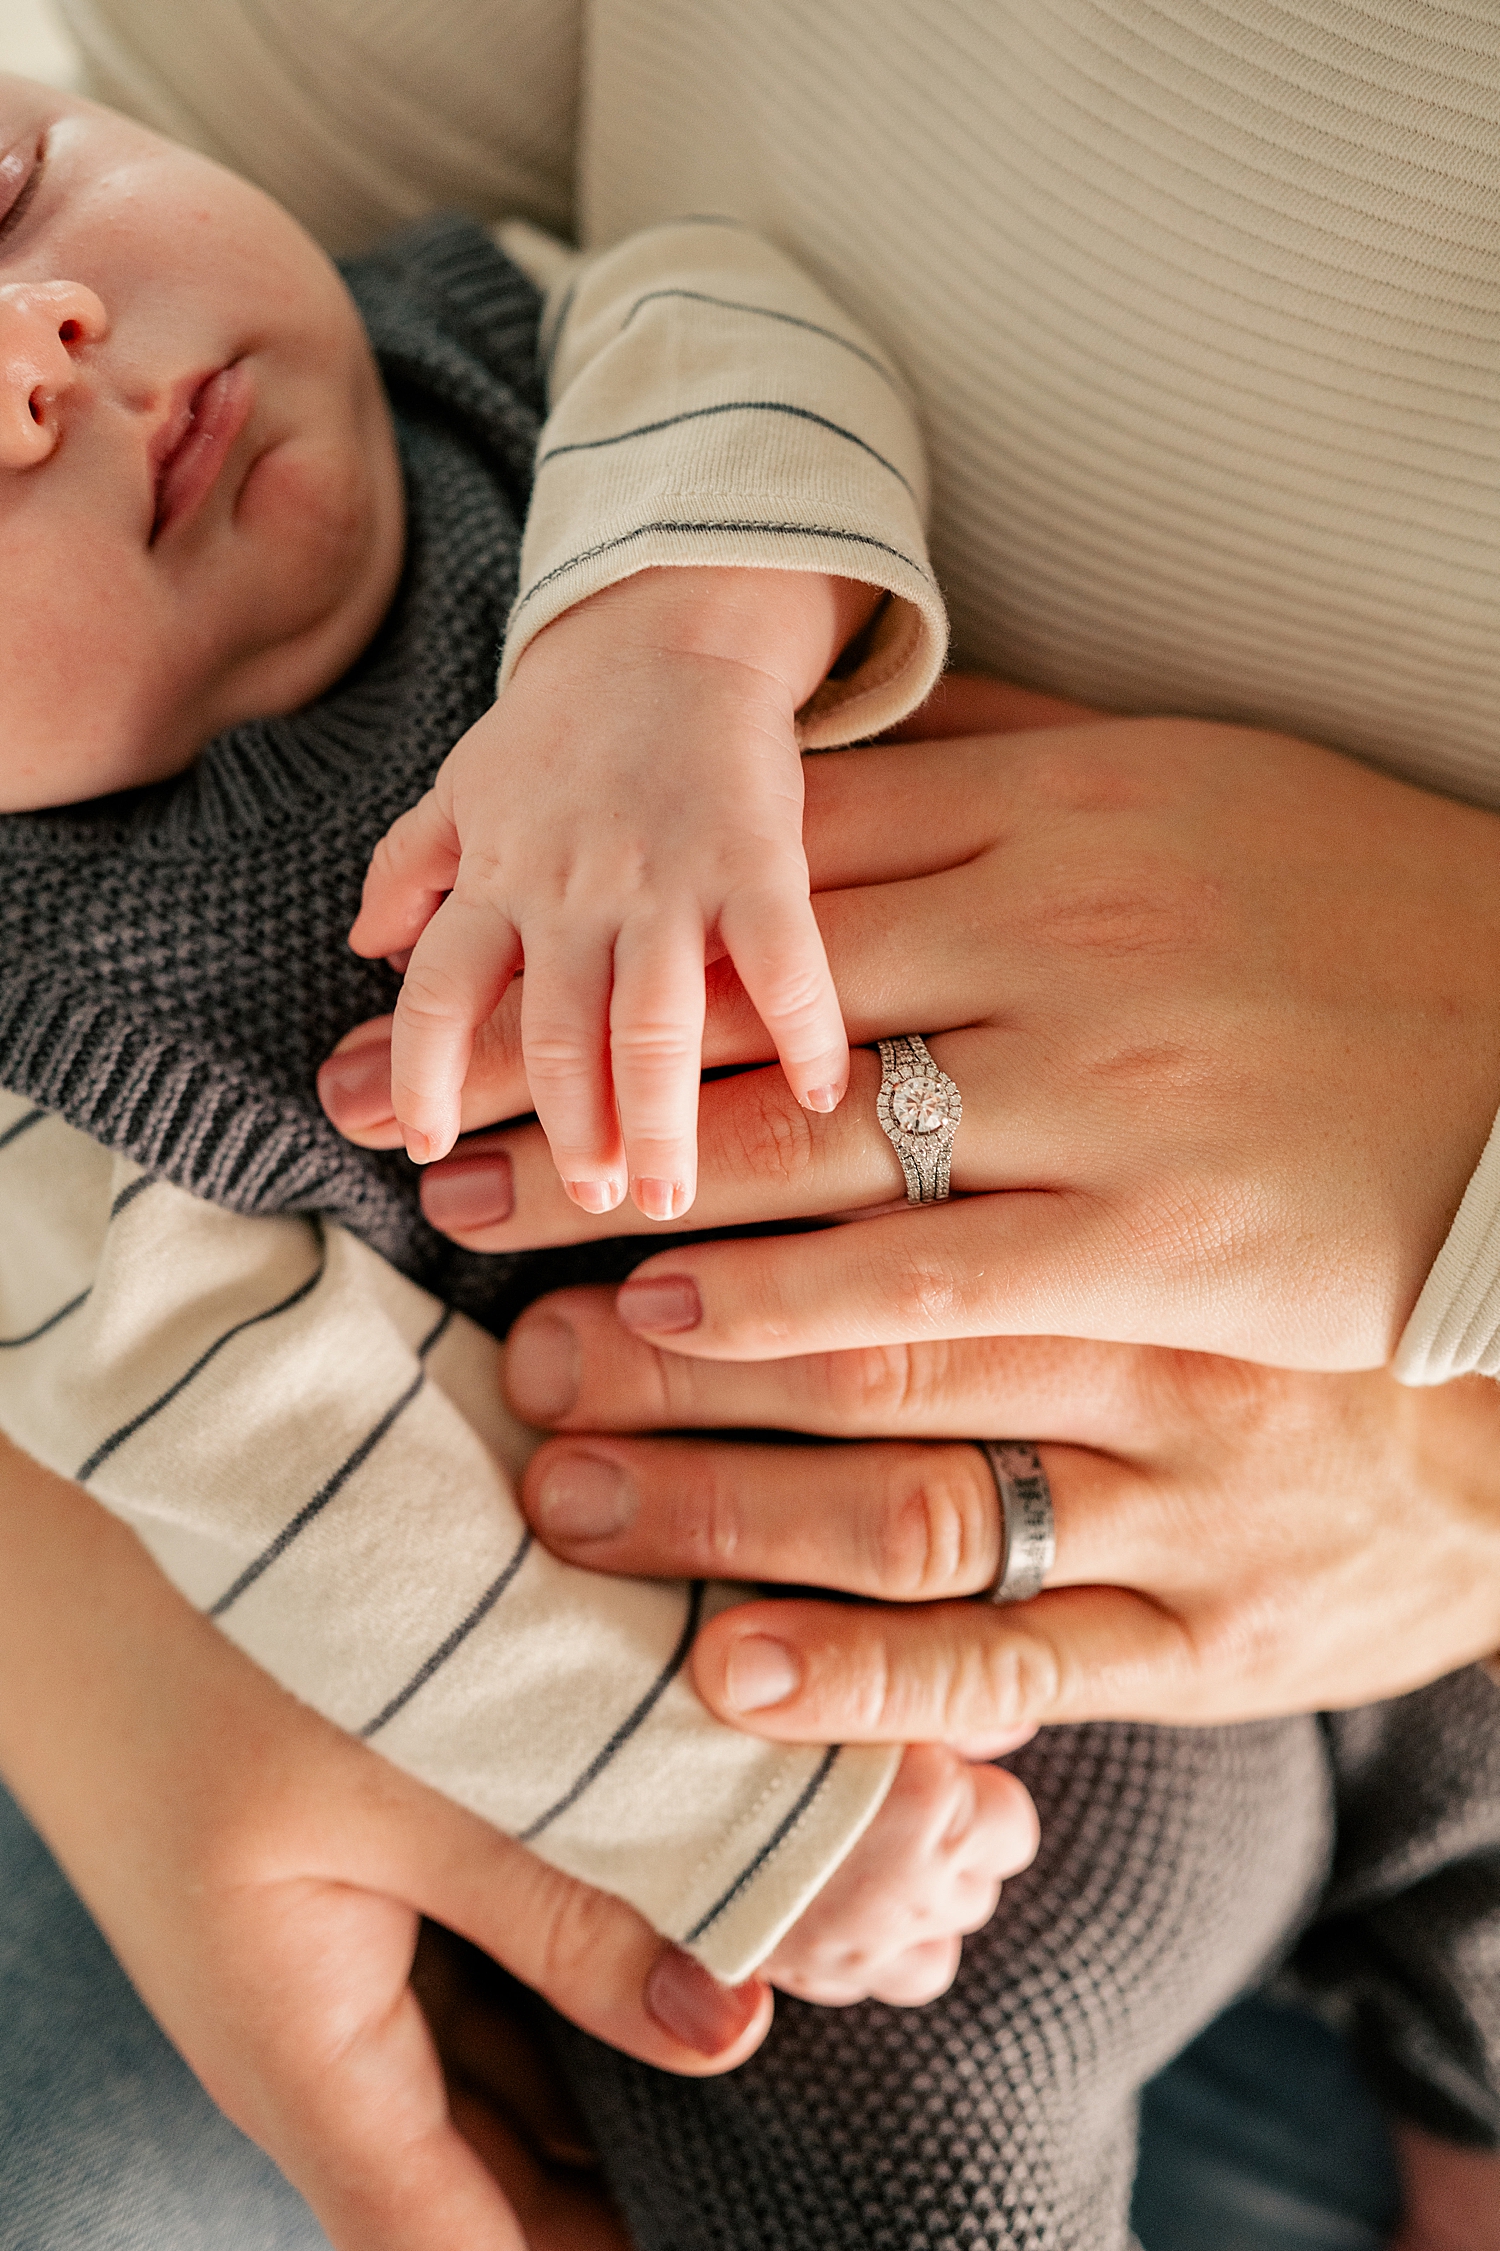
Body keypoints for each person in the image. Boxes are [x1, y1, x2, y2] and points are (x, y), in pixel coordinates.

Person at [8, 0, 1500, 2242]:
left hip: (1407, 1506)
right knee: (871, 2146)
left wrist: (673, 637)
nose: (45, 335)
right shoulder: (68, 1037)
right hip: (869, 1726)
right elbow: (313, 1491)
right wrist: (752, 1820)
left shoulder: (477, 339)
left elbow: (724, 314)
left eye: (11, 192)